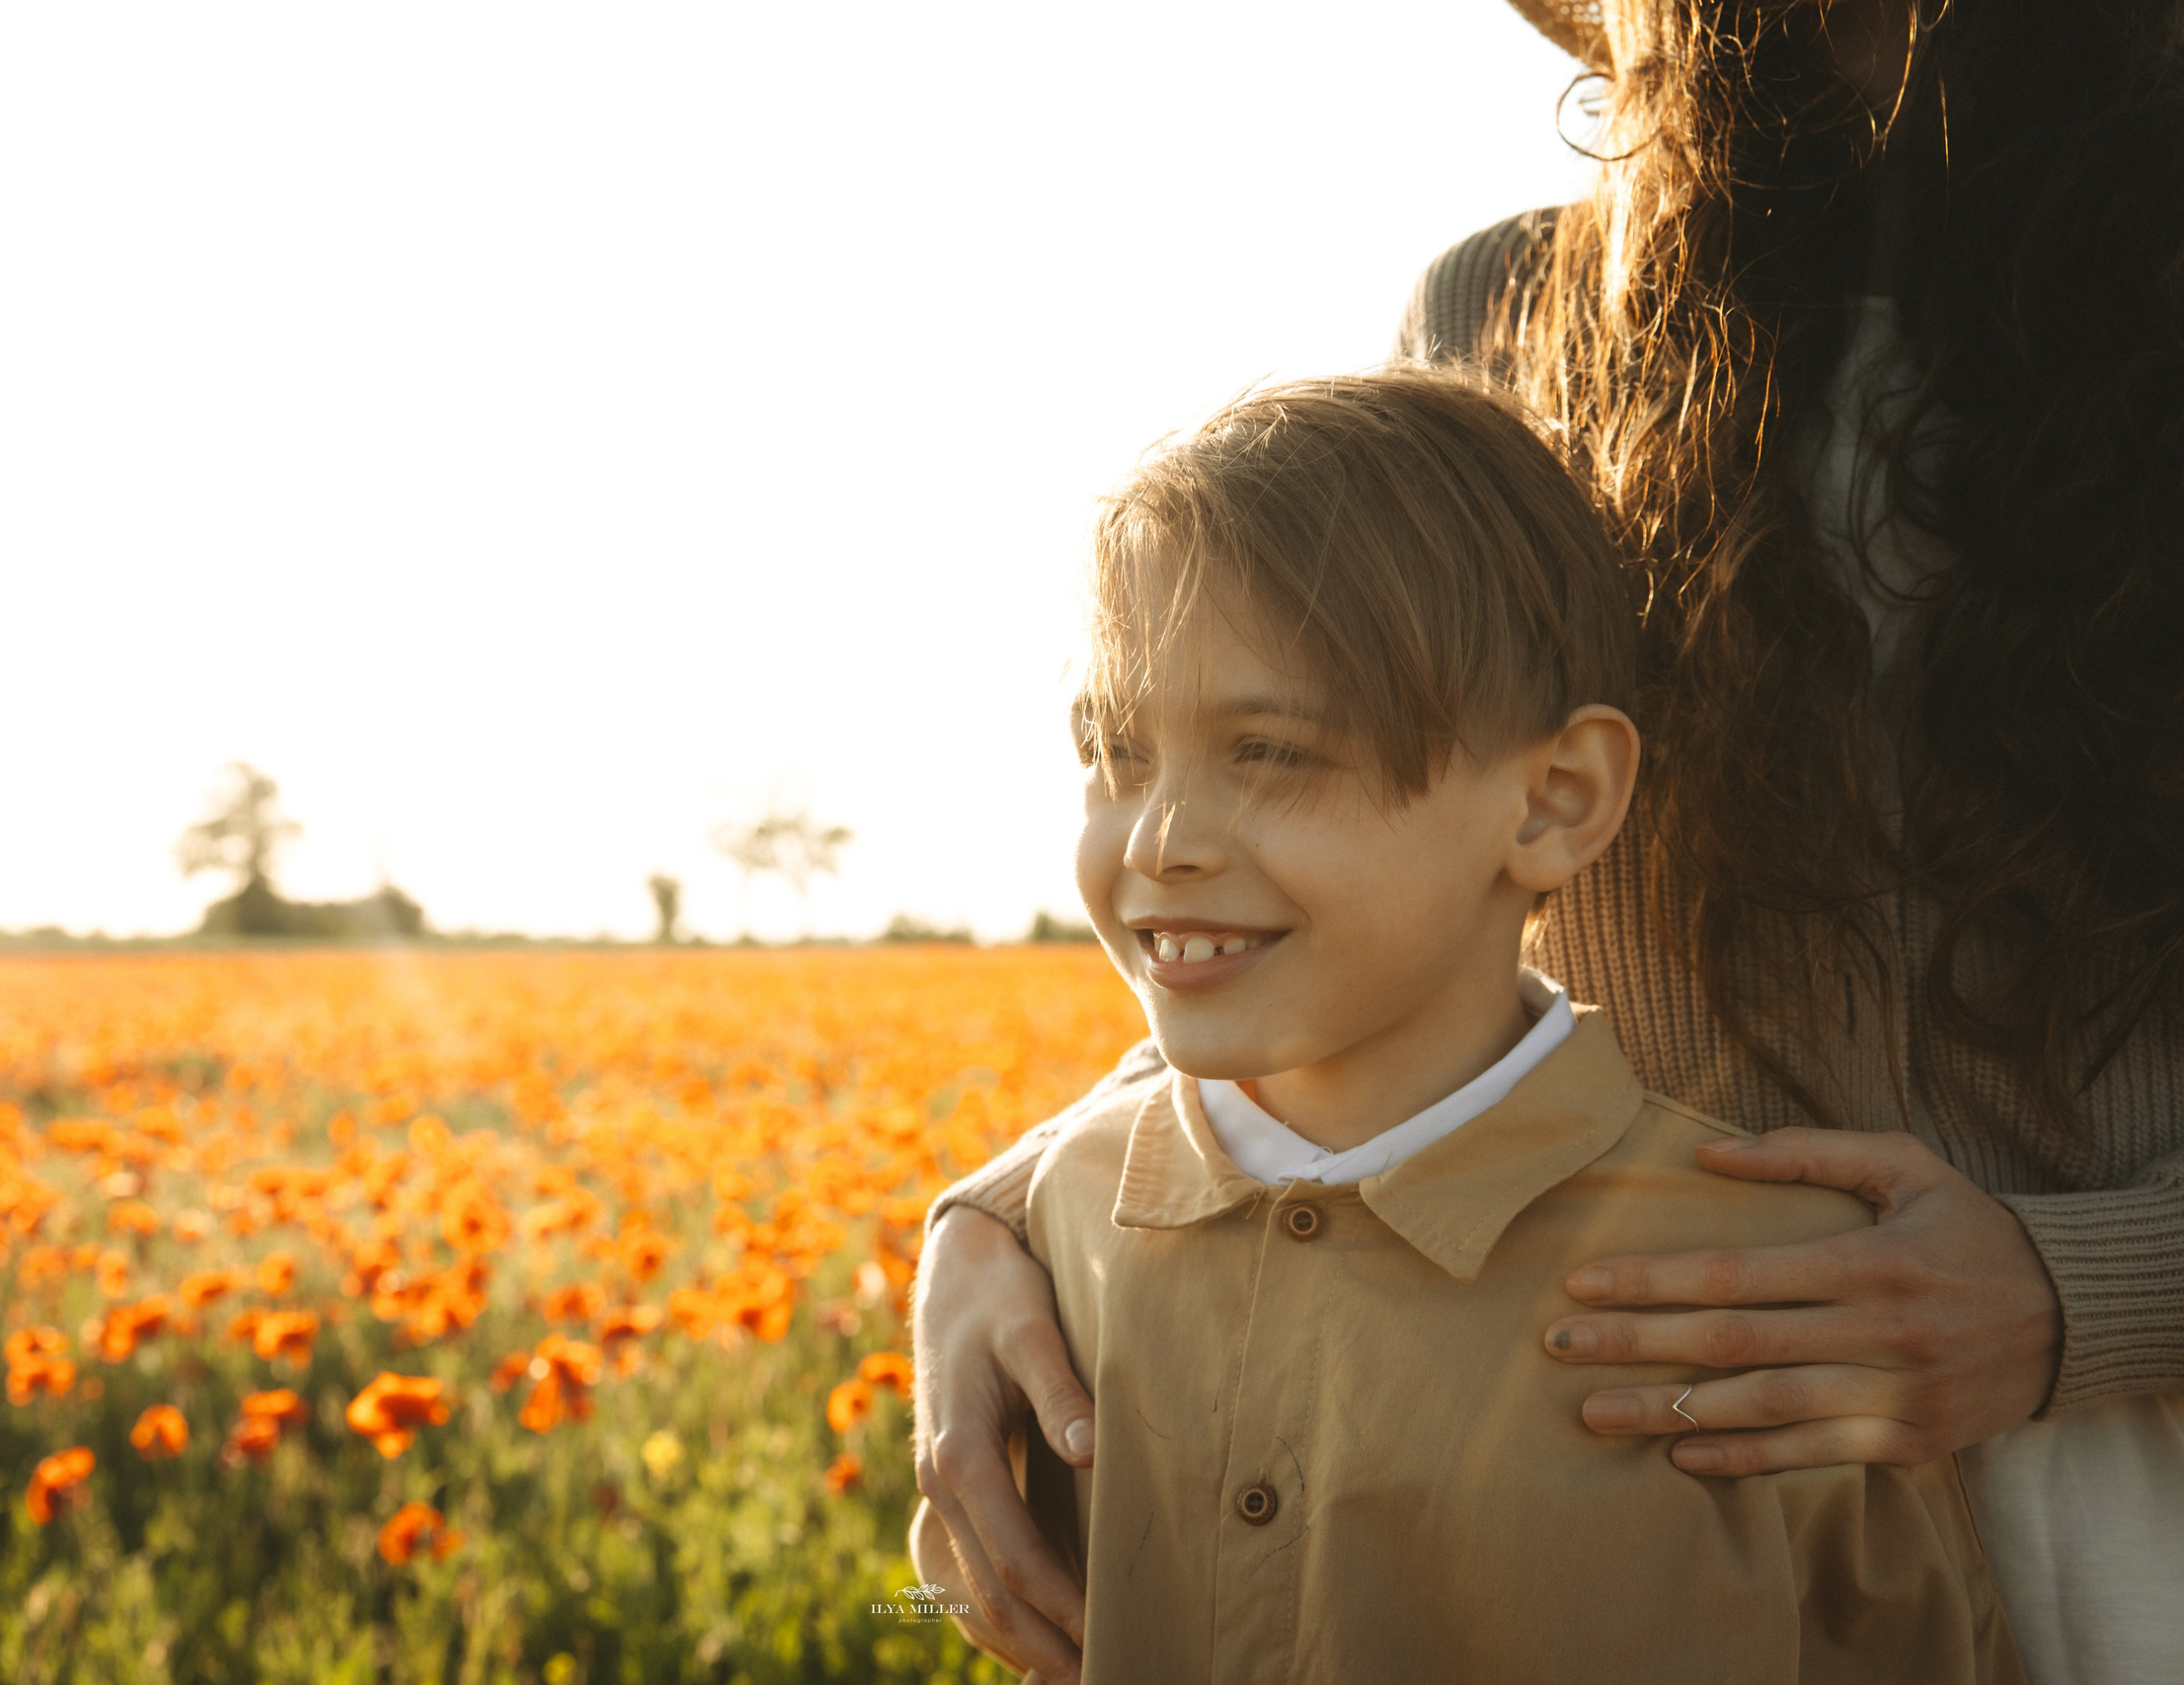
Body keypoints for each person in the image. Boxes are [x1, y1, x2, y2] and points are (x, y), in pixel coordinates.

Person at [910, 4, 2184, 1683]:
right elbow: (1380, 870)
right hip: (1614, 1437)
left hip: (2130, 1474)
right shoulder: (1507, 308)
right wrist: (997, 1219)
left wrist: (2077, 1292)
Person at [910, 369, 2021, 1681]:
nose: (1160, 840)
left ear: (1555, 800)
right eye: (1117, 751)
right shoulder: (1048, 1244)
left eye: (1270, 752)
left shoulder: (1780, 1297)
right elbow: (949, 1611)